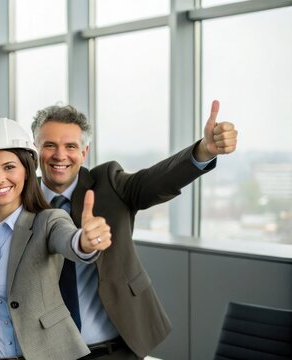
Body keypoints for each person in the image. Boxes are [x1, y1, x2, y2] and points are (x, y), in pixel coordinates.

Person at [30, 102, 238, 359]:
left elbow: (156, 180)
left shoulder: (109, 183)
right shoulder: (20, 203)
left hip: (114, 349)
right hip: (47, 353)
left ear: (84, 152)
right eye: (49, 145)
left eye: (71, 146)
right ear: (35, 150)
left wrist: (203, 151)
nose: (60, 155)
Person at [0, 116, 112, 360]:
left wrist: (86, 242)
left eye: (9, 167)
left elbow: (70, 241)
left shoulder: (48, 221)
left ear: (27, 171)